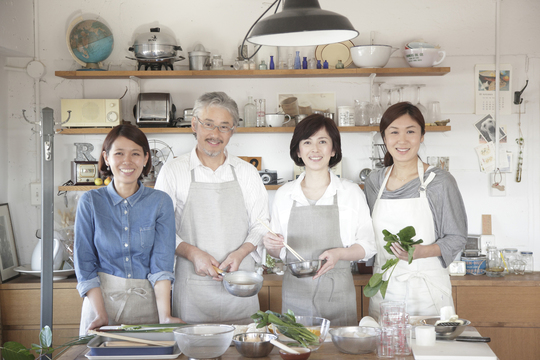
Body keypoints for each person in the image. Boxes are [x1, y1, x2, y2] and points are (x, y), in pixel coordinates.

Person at [155, 92, 269, 324]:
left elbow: (261, 224)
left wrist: (240, 253)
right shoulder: (173, 171)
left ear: (232, 131)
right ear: (194, 125)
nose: (215, 134)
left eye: (223, 127)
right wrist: (193, 253)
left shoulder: (247, 172)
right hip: (192, 292)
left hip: (240, 286)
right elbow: (160, 228)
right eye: (208, 124)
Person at [263, 114, 376, 326]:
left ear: (333, 150)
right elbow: (279, 251)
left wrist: (340, 254)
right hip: (295, 294)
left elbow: (368, 245)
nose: (315, 150)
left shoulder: (350, 192)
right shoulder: (284, 194)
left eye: (322, 142)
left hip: (338, 294)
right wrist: (271, 245)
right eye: (307, 142)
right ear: (298, 150)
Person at [363, 102, 467, 321]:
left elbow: (457, 238)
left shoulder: (439, 181)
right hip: (386, 288)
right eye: (394, 132)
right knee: (387, 351)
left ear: (422, 136)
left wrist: (421, 252)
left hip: (428, 291)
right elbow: (366, 234)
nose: (402, 140)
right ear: (384, 137)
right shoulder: (375, 181)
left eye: (410, 131)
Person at [74, 124, 181, 335]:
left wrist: (165, 316)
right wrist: (101, 315)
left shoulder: (160, 202)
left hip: (148, 306)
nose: (127, 161)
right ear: (106, 158)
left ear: (146, 158)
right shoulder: (90, 202)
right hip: (100, 307)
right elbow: (84, 262)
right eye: (119, 153)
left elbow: (161, 264)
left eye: (135, 154)